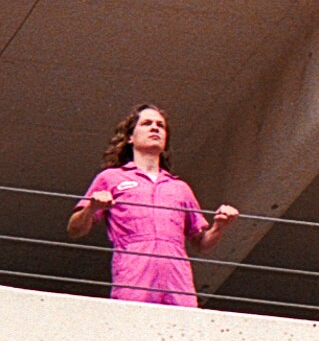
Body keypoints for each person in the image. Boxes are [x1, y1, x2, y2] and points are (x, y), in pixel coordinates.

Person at [68, 103, 238, 306]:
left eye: (160, 125)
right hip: (134, 273)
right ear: (130, 137)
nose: (155, 128)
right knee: (134, 326)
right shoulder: (111, 178)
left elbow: (201, 244)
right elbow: (75, 229)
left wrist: (220, 226)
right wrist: (91, 208)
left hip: (177, 278)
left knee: (182, 329)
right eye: (147, 123)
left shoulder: (180, 187)